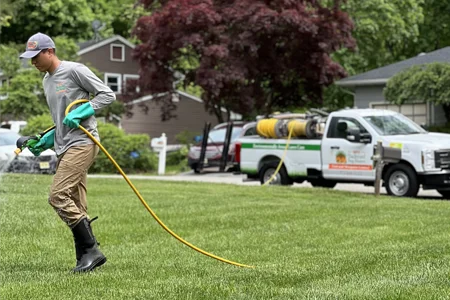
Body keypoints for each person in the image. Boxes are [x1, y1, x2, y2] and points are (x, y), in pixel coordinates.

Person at [19, 32, 116, 272]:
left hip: (83, 142)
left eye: (35, 56)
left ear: (49, 51)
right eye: (29, 57)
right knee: (77, 203)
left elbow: (107, 94)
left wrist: (82, 112)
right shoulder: (46, 80)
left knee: (58, 196)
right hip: (64, 145)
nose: (32, 62)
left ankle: (92, 249)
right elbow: (61, 120)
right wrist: (46, 140)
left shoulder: (75, 70)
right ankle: (86, 257)